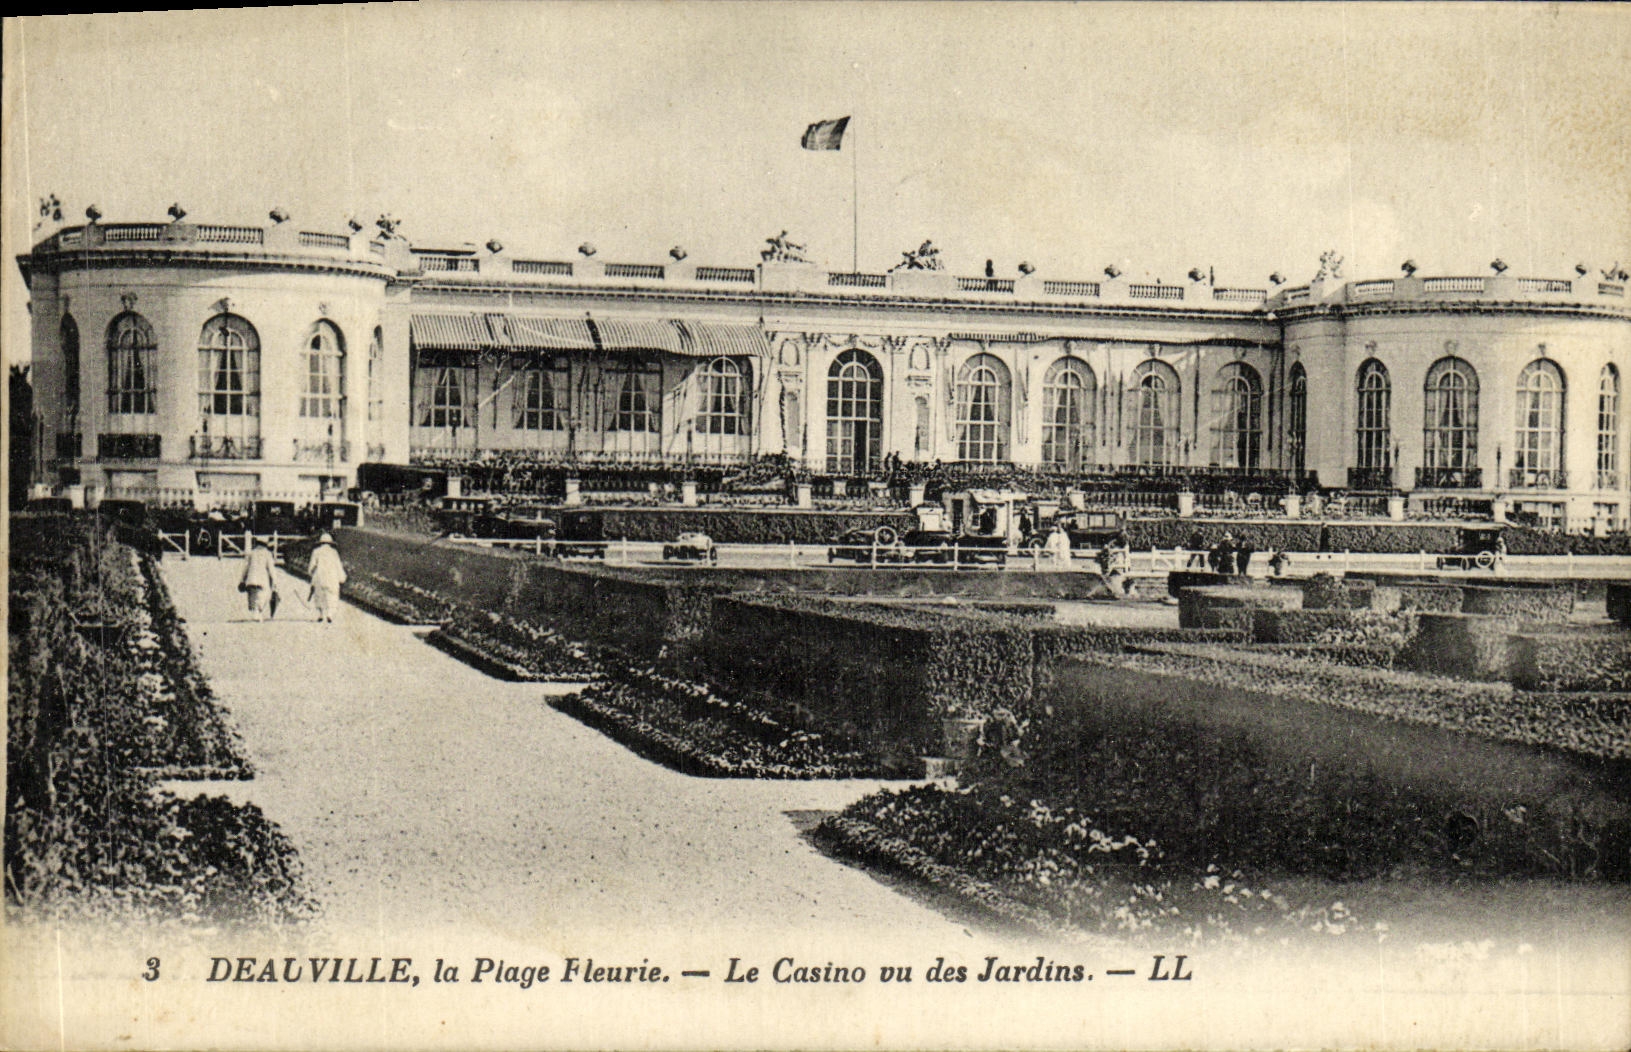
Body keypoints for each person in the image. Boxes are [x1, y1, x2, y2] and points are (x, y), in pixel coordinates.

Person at [307, 532, 348, 623]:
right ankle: (330, 614)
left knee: (319, 595)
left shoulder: (316, 552)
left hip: (320, 576)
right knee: (332, 595)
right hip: (332, 577)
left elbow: (312, 566)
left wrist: (311, 573)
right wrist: (342, 577)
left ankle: (321, 614)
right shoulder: (334, 552)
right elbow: (338, 565)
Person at [239, 539, 278, 622]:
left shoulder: (251, 553)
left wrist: (242, 579)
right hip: (262, 580)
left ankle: (255, 612)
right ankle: (257, 613)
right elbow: (271, 569)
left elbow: (245, 568)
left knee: (253, 597)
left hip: (251, 579)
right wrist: (275, 581)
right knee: (262, 597)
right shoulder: (267, 554)